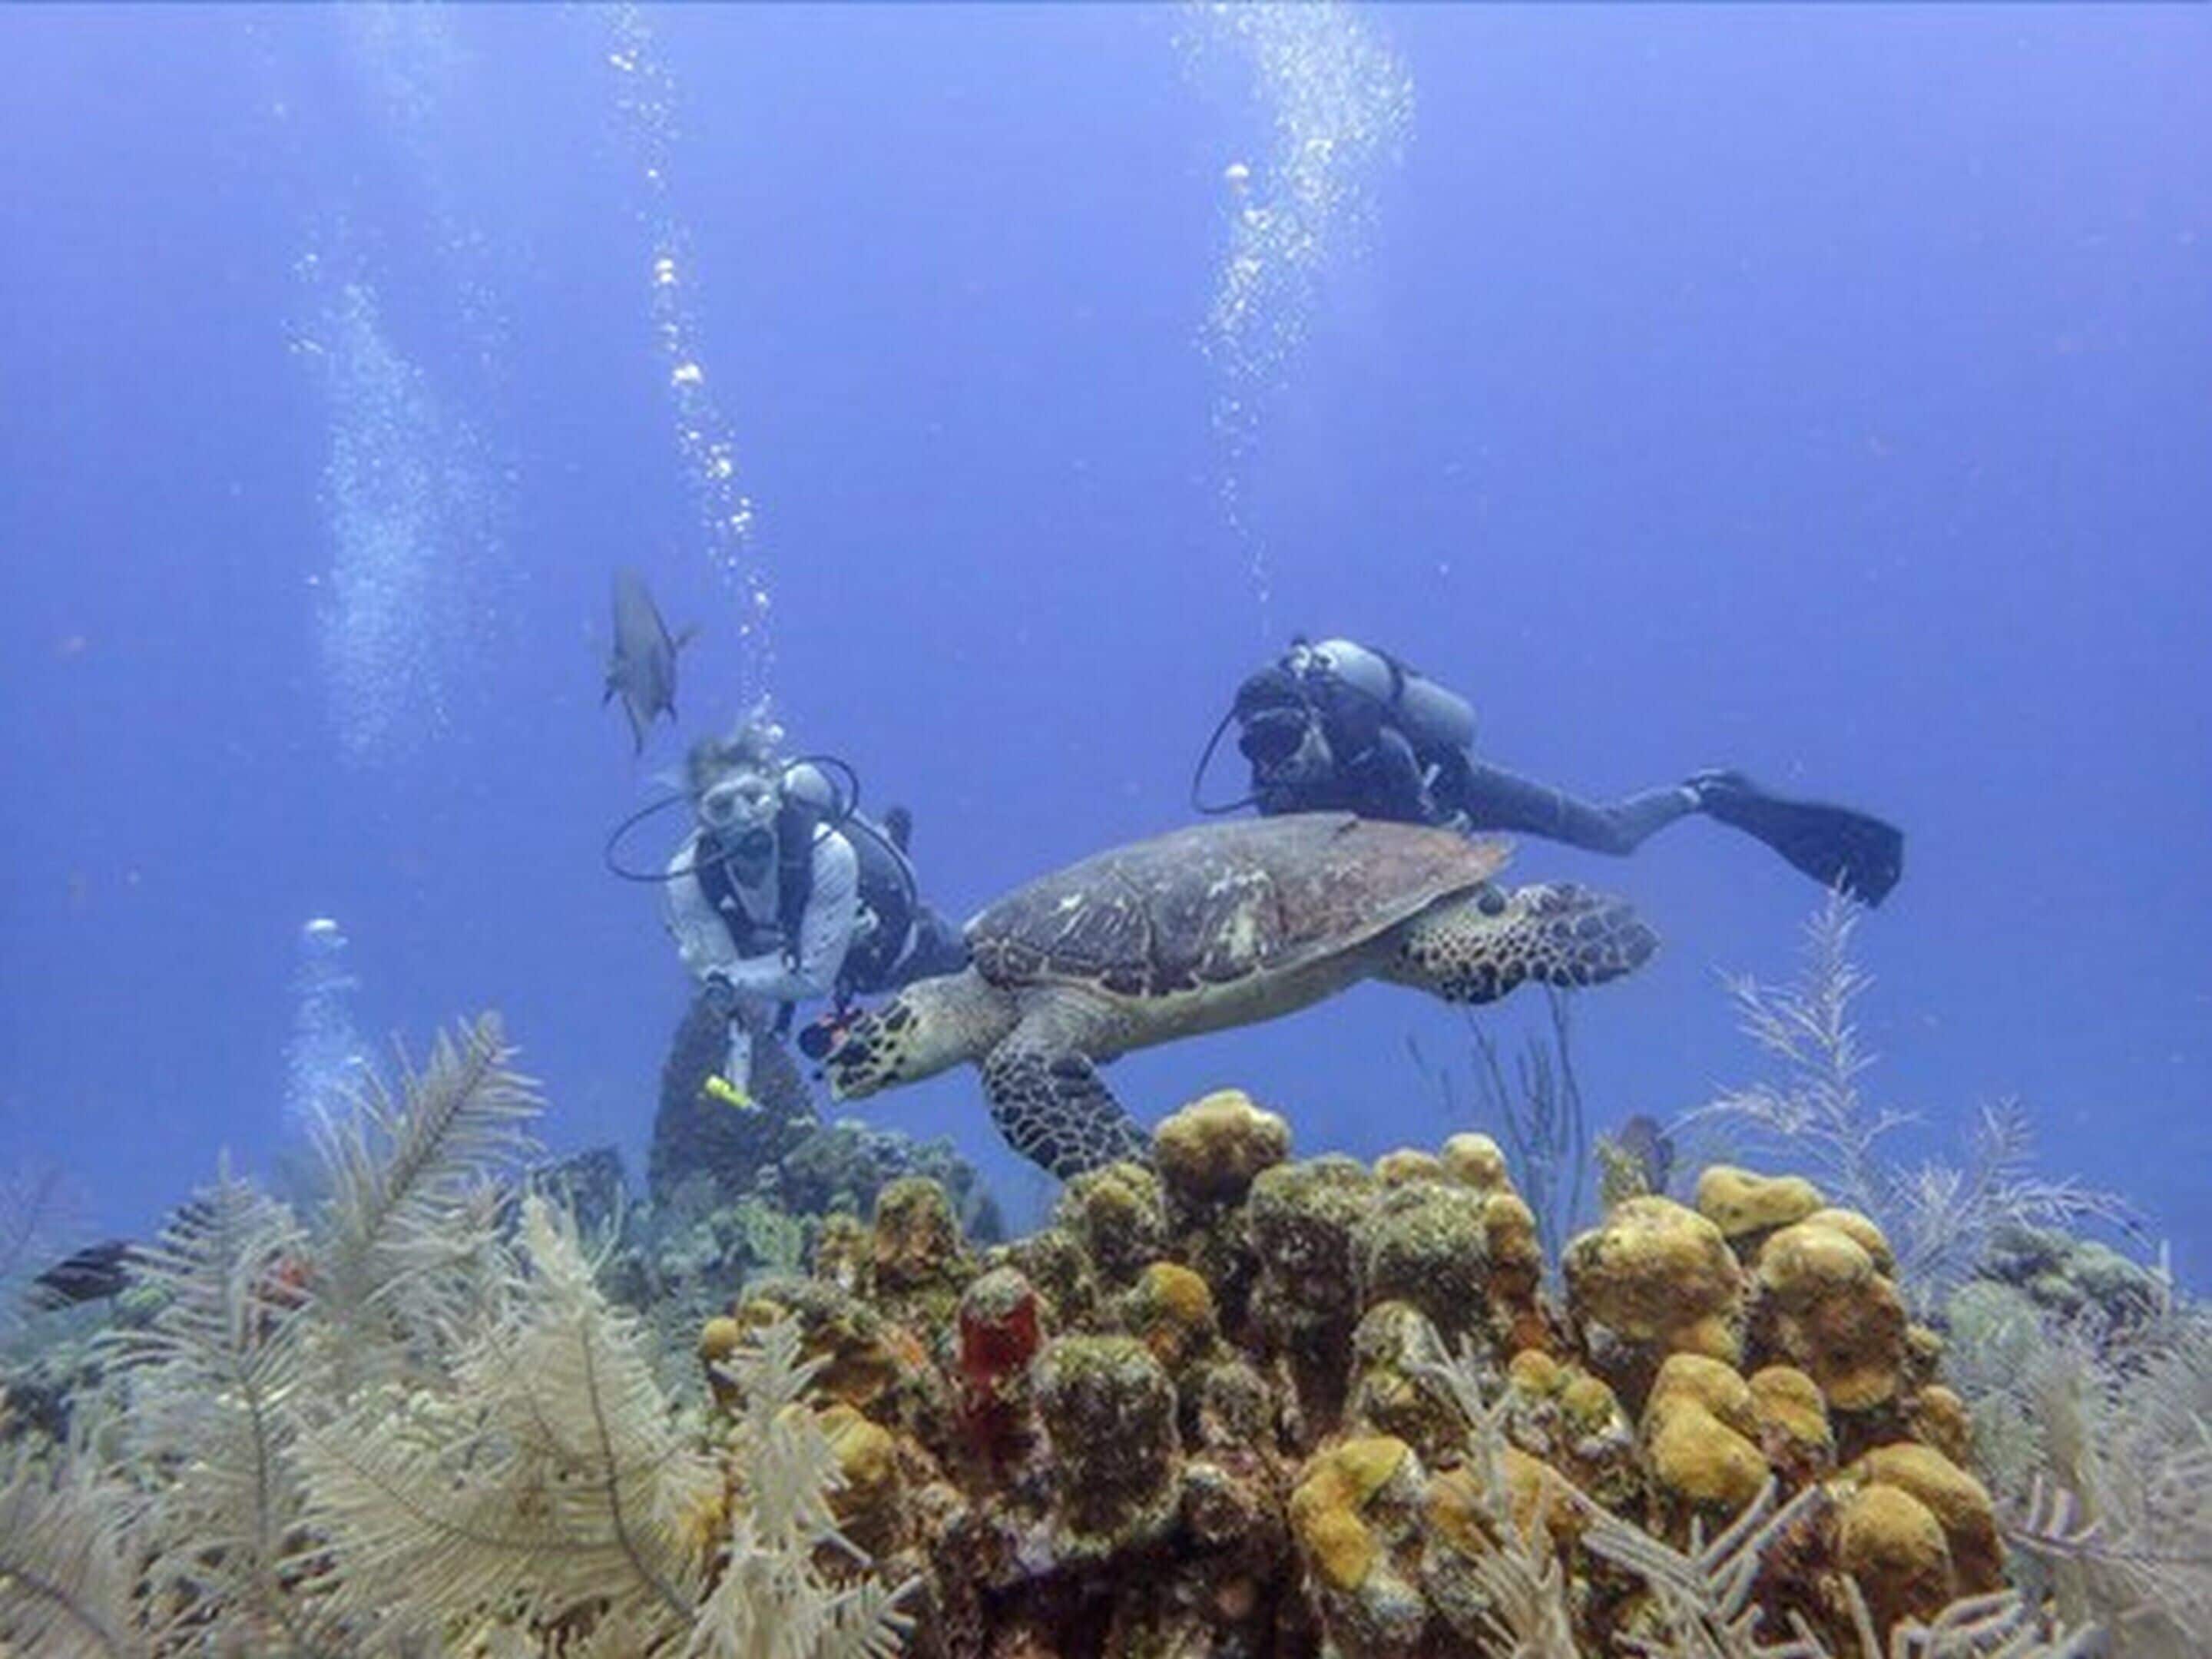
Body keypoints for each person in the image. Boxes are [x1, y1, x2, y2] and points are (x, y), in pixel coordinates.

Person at [1203, 636, 1904, 905]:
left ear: (1314, 719)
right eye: (1256, 751)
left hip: (1446, 789)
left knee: (1611, 836)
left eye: (1286, 739)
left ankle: (1702, 792)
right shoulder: (1277, 791)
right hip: (1390, 834)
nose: (1274, 761)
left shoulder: (1372, 743)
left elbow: (1438, 850)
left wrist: (1489, 897)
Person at [662, 716, 969, 1104]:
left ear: (774, 793)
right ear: (699, 817)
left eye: (753, 797)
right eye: (722, 806)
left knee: (973, 964)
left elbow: (809, 980)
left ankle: (891, 844)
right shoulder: (688, 878)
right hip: (787, 949)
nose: (742, 817)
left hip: (885, 950)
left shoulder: (828, 851)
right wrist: (717, 980)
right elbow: (727, 983)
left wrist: (727, 978)